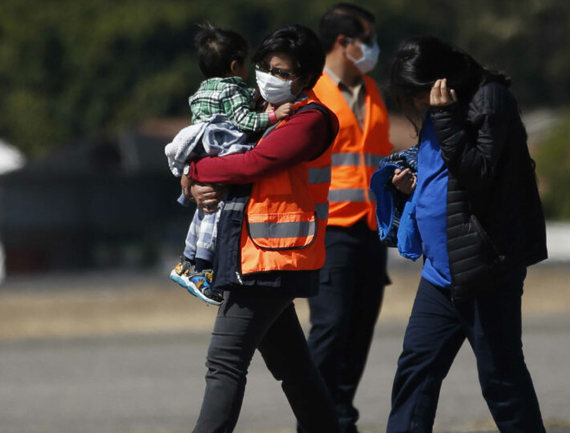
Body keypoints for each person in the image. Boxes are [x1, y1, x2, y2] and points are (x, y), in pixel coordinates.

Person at [381, 35, 547, 432]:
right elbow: (443, 172)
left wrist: (446, 118)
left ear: (441, 77)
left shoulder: (489, 100)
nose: (417, 101)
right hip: (439, 271)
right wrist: (412, 185)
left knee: (500, 377)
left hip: (484, 266)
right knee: (416, 371)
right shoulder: (438, 110)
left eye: (419, 91)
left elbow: (480, 173)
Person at [180, 24, 341, 433]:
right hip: (254, 255)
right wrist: (194, 182)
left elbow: (254, 164)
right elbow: (219, 153)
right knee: (294, 369)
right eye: (265, 67)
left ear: (307, 78)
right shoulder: (256, 110)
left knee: (224, 362)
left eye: (282, 72)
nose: (269, 77)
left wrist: (197, 168)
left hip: (273, 259)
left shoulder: (310, 119)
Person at [303, 4, 393, 432]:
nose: (373, 47)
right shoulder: (312, 91)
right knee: (331, 326)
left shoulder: (372, 89)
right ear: (343, 42)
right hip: (329, 228)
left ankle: (341, 416)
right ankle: (314, 419)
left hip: (371, 228)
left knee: (359, 328)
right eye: (367, 39)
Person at [165, 23, 292, 306]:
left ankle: (188, 262)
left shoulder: (200, 92)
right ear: (236, 66)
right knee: (214, 212)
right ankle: (202, 270)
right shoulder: (232, 90)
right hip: (226, 154)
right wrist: (275, 116)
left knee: (203, 211)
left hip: (206, 154)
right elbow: (244, 121)